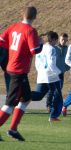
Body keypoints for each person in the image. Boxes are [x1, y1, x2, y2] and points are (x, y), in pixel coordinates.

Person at [0, 6, 43, 141]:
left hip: (14, 67)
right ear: (35, 17)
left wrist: (14, 50)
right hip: (18, 70)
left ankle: (13, 129)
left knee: (26, 98)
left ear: (21, 14)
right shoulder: (30, 30)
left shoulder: (14, 26)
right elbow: (34, 50)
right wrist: (40, 43)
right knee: (10, 103)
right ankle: (11, 129)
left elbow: (2, 41)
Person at [31, 31, 63, 122]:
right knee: (58, 96)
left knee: (39, 95)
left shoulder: (40, 48)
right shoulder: (51, 49)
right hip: (51, 76)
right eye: (56, 40)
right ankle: (53, 116)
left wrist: (41, 72)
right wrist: (58, 72)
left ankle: (21, 95)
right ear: (53, 39)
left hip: (41, 75)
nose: (56, 42)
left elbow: (37, 63)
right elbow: (51, 64)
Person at [46, 33, 69, 112]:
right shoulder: (54, 48)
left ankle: (54, 105)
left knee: (59, 89)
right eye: (62, 39)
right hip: (53, 72)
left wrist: (66, 68)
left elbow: (69, 59)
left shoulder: (67, 48)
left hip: (61, 73)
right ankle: (49, 105)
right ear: (59, 39)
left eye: (65, 40)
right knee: (51, 90)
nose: (64, 41)